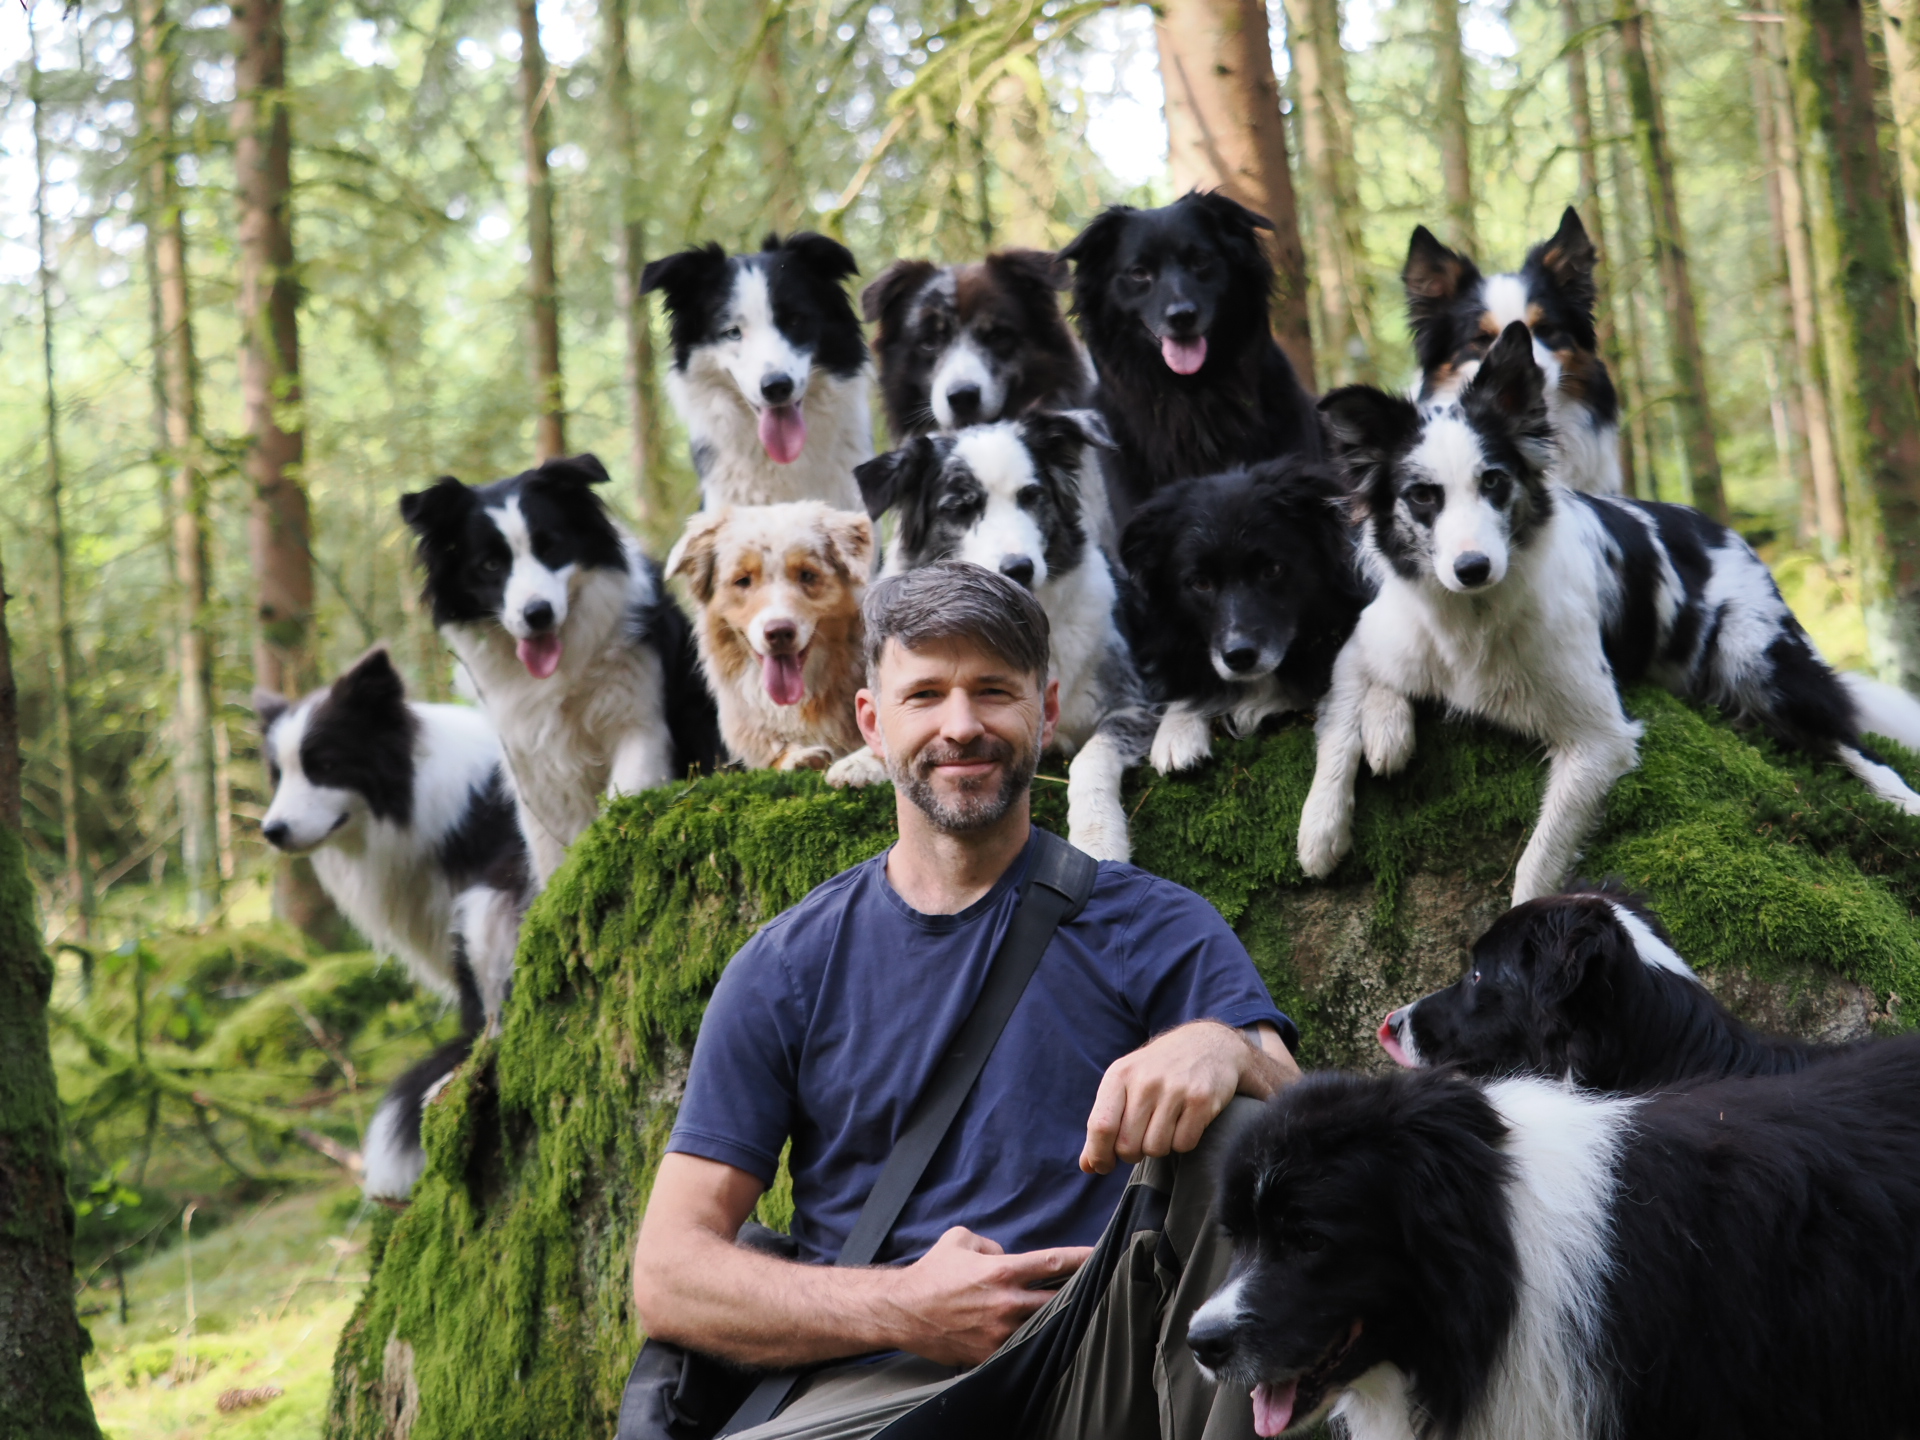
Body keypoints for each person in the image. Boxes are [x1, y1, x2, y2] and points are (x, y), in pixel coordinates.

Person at [631, 561, 1302, 1440]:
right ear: (872, 720)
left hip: (1095, 1366)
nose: (962, 726)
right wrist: (902, 1308)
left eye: (994, 691)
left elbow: (1308, 1126)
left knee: (1245, 1134)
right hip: (871, 1393)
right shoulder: (786, 967)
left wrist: (1229, 1050)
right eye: (926, 695)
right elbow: (669, 1274)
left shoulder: (1154, 925)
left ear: (1047, 709)